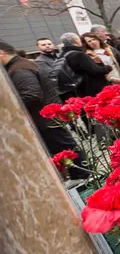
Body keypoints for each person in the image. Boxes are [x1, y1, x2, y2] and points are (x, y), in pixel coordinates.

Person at [0, 40, 90, 180]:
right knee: (65, 148)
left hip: (45, 120)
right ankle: (81, 175)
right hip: (47, 118)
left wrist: (9, 110)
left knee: (66, 149)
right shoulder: (21, 64)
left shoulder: (19, 69)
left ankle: (84, 176)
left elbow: (31, 94)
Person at [59, 32, 113, 99]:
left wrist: (90, 61)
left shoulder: (63, 55)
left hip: (78, 88)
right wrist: (108, 67)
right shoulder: (79, 54)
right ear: (76, 40)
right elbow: (95, 70)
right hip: (92, 88)